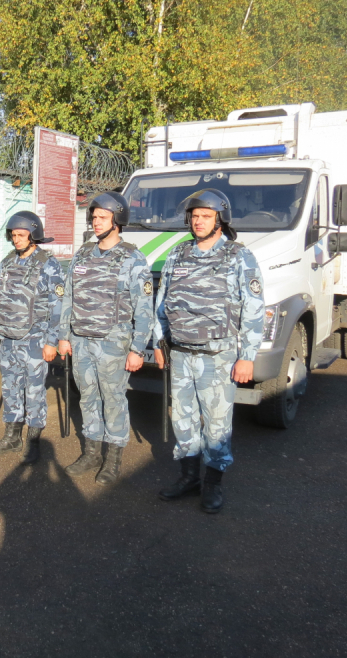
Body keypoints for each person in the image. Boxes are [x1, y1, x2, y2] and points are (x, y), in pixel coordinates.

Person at [153, 189, 265, 514]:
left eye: (206, 215)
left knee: (217, 424)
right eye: (195, 216)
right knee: (183, 419)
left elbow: (254, 308)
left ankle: (213, 484)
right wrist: (159, 343)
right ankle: (189, 478)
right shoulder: (177, 254)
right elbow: (163, 302)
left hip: (219, 357)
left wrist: (248, 355)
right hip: (181, 353)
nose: (199, 221)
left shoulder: (239, 256)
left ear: (220, 219)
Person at [57, 192, 155, 485]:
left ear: (118, 219)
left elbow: (144, 308)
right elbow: (68, 298)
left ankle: (112, 458)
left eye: (102, 217)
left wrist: (138, 348)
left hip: (113, 342)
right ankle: (92, 452)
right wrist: (64, 336)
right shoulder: (83, 254)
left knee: (113, 400)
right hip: (81, 340)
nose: (95, 222)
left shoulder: (133, 259)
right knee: (87, 397)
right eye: (94, 217)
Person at [0, 211, 65, 464]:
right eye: (13, 235)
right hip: (8, 337)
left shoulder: (49, 264)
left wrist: (52, 341)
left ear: (33, 235)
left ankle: (33, 440)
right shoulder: (7, 263)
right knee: (9, 387)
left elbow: (58, 305)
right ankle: (12, 436)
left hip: (35, 339)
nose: (16, 239)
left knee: (34, 391)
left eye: (21, 235)